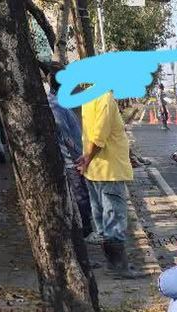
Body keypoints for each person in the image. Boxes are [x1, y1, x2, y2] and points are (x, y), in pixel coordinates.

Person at [76, 90, 135, 277]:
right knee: (114, 218)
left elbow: (90, 134)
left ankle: (114, 264)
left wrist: (86, 158)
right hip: (109, 170)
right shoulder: (104, 97)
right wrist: (87, 158)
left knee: (102, 217)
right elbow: (98, 137)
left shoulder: (89, 97)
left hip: (95, 170)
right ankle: (118, 267)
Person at [46, 68, 93, 238]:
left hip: (76, 156)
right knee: (80, 195)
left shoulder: (60, 102)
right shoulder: (55, 106)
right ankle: (87, 231)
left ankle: (87, 227)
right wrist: (79, 158)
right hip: (72, 159)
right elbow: (66, 137)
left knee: (83, 193)